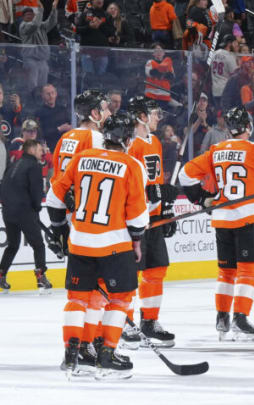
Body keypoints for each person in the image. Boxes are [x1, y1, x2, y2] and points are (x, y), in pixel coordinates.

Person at [47, 111, 148, 379]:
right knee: (120, 298)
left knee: (78, 299)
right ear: (126, 138)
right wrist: (136, 240)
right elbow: (138, 217)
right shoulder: (131, 165)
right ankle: (107, 355)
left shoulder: (81, 159)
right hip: (113, 244)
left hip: (79, 242)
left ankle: (72, 356)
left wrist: (59, 227)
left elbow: (54, 197)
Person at [180, 106, 254, 341]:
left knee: (226, 271)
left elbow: (185, 174)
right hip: (247, 217)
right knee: (249, 269)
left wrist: (202, 199)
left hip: (222, 218)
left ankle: (222, 318)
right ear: (248, 127)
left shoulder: (216, 150)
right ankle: (240, 317)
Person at [119, 96, 178, 349]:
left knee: (156, 269)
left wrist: (165, 207)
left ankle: (149, 322)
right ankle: (124, 322)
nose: (157, 118)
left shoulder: (154, 141)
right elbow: (126, 182)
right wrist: (145, 196)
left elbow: (156, 181)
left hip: (153, 218)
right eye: (154, 114)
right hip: (134, 219)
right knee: (130, 274)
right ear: (141, 116)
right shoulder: (128, 144)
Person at [0, 139, 51, 293]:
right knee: (38, 244)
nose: (42, 151)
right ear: (31, 149)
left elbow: (4, 187)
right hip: (24, 211)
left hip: (8, 211)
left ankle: (1, 274)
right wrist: (36, 207)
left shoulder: (14, 164)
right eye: (39, 148)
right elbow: (36, 191)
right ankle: (41, 277)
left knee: (13, 244)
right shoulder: (34, 166)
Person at [19, 1, 57, 91]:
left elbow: (52, 22)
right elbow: (34, 25)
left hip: (43, 60)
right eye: (27, 15)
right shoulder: (23, 26)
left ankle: (42, 101)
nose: (29, 16)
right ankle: (32, 100)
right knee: (33, 84)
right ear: (23, 17)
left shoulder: (41, 25)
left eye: (31, 14)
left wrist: (54, 9)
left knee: (43, 86)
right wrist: (41, 10)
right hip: (30, 60)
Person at [76, 0, 115, 74]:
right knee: (88, 78)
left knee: (102, 77)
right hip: (87, 52)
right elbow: (77, 30)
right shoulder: (84, 14)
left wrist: (101, 25)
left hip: (102, 53)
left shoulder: (107, 15)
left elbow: (111, 33)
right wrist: (89, 27)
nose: (100, 0)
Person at [34, 84, 72, 152]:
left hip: (65, 146)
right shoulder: (39, 113)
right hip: (50, 148)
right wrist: (59, 129)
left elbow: (70, 124)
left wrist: (70, 127)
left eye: (52, 93)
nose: (51, 96)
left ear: (56, 94)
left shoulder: (62, 109)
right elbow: (42, 133)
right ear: (42, 96)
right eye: (48, 94)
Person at [144, 43, 175, 111]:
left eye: (160, 51)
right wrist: (164, 72)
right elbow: (151, 73)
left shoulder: (169, 63)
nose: (158, 53)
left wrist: (161, 72)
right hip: (151, 95)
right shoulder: (150, 62)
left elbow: (171, 77)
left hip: (164, 96)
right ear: (153, 53)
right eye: (156, 51)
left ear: (164, 52)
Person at [211, 35, 240, 104]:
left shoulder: (214, 53)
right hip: (226, 91)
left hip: (215, 90)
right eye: (235, 43)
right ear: (230, 44)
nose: (237, 45)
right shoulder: (229, 56)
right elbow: (235, 74)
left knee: (218, 113)